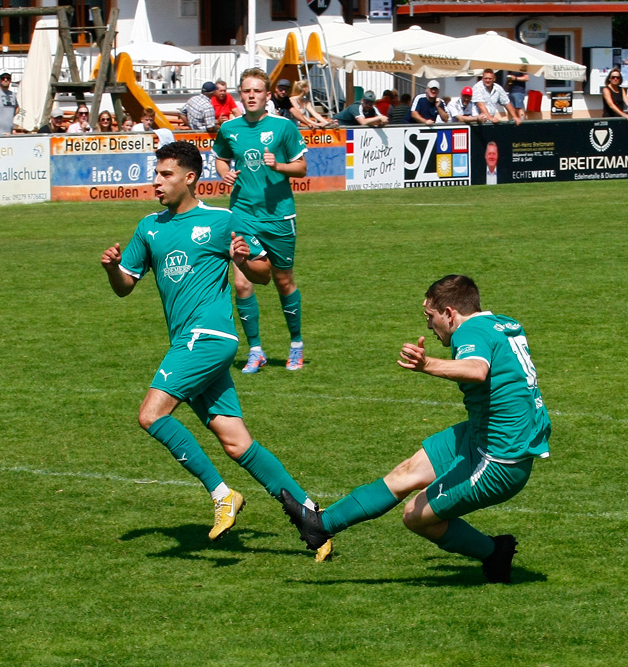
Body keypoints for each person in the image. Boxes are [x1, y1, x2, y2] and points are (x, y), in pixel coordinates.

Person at [100, 141, 325, 547]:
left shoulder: (222, 221)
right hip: (191, 343)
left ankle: (223, 495)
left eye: (165, 174)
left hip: (207, 338)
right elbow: (124, 288)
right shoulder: (148, 227)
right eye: (156, 173)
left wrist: (242, 259)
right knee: (237, 442)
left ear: (190, 178)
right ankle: (311, 516)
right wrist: (113, 268)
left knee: (152, 415)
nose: (156, 182)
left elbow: (261, 273)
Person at [283, 275, 550, 584]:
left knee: (416, 516)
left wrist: (427, 365)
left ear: (449, 313)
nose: (428, 326)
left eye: (430, 316)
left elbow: (477, 370)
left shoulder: (469, 332)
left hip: (501, 459)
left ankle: (494, 551)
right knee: (407, 471)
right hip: (484, 432)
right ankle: (320, 524)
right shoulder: (502, 323)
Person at [213, 67, 309, 373]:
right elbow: (220, 157)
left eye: (257, 90)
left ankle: (296, 344)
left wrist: (279, 165)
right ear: (240, 95)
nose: (251, 95)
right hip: (242, 213)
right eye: (246, 91)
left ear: (267, 95)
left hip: (279, 215)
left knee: (283, 280)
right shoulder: (229, 129)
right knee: (242, 283)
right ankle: (255, 350)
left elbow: (302, 168)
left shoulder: (283, 127)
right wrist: (223, 172)